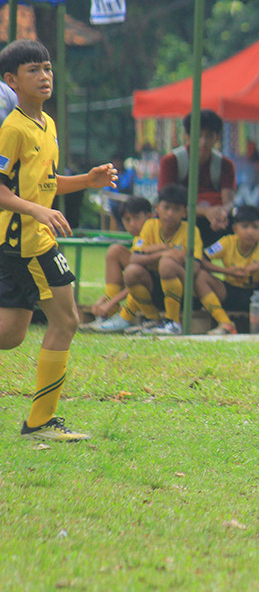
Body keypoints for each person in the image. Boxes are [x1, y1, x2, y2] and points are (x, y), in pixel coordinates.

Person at [0, 39, 118, 441]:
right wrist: (36, 210)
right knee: (66, 320)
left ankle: (40, 422)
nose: (45, 76)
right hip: (26, 243)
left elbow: (46, 183)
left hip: (35, 237)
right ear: (12, 80)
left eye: (48, 68)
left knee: (12, 333)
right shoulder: (12, 128)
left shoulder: (47, 124)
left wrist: (87, 180)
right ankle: (40, 422)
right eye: (33, 70)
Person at [93, 184, 204, 336]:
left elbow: (196, 267)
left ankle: (172, 322)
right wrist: (164, 251)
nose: (170, 213)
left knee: (166, 265)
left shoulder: (191, 231)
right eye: (166, 208)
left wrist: (170, 257)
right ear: (158, 208)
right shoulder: (150, 226)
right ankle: (148, 319)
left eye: (176, 209)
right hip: (155, 283)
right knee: (128, 265)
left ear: (185, 212)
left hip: (183, 289)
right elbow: (135, 259)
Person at [196, 205, 259, 335]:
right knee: (200, 276)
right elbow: (201, 259)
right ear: (235, 229)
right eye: (245, 226)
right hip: (229, 292)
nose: (250, 232)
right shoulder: (226, 242)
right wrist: (228, 271)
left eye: (255, 227)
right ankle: (225, 323)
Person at [157, 110, 235, 246]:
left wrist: (221, 214)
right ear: (188, 136)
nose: (203, 142)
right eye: (198, 136)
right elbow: (166, 201)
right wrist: (206, 211)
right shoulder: (171, 161)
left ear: (217, 137)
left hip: (214, 221)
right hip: (179, 218)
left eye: (209, 136)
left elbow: (228, 201)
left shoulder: (225, 164)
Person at [88, 196, 153, 325]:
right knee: (115, 251)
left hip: (156, 291)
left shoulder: (153, 234)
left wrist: (111, 302)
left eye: (136, 218)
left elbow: (138, 277)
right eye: (127, 219)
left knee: (132, 269)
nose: (132, 224)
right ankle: (109, 312)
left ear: (149, 216)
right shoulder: (137, 239)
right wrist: (106, 300)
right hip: (143, 284)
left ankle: (124, 316)